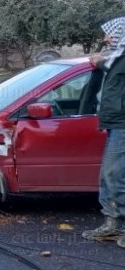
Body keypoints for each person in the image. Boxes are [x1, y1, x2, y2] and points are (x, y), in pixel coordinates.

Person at [85, 16, 125, 248]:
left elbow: (108, 64)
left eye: (109, 33)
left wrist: (100, 61)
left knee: (116, 175)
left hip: (122, 123)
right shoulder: (116, 57)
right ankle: (113, 224)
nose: (106, 38)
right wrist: (100, 61)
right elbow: (108, 63)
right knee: (109, 175)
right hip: (115, 122)